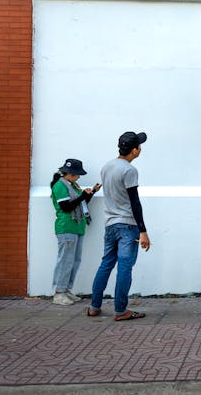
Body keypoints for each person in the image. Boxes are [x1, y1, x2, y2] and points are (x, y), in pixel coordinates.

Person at [89, 131, 151, 321]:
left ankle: (94, 306)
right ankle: (120, 310)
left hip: (110, 224)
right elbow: (135, 202)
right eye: (139, 146)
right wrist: (143, 231)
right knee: (125, 267)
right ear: (134, 150)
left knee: (106, 264)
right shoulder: (129, 170)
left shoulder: (107, 166)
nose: (140, 149)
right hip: (127, 225)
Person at [50, 158, 101, 305]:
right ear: (70, 174)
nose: (78, 177)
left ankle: (66, 290)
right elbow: (66, 207)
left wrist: (90, 193)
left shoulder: (73, 185)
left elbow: (81, 203)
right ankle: (59, 293)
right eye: (77, 174)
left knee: (74, 260)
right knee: (65, 260)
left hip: (77, 226)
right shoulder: (60, 186)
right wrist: (82, 197)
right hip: (66, 226)